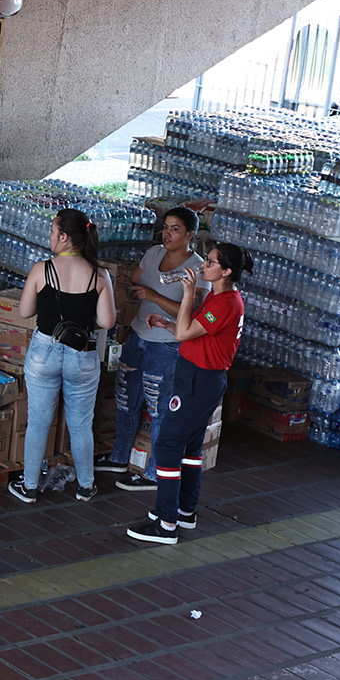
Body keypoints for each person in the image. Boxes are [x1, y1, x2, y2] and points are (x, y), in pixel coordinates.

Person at [126, 241, 252, 546]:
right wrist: (169, 323)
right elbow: (192, 332)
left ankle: (166, 522)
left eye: (210, 263)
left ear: (227, 271)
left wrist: (186, 294)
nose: (203, 266)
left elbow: (185, 334)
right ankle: (185, 509)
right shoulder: (219, 296)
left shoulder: (225, 303)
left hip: (199, 381)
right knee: (191, 447)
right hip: (199, 377)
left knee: (168, 446)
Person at [99, 207, 210, 492]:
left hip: (167, 345)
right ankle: (119, 457)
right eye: (166, 227)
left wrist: (153, 296)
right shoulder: (153, 254)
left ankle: (154, 473)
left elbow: (194, 311)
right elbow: (135, 281)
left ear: (190, 235)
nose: (167, 233)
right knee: (126, 400)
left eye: (175, 228)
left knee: (160, 409)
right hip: (137, 335)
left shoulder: (198, 269)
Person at [9, 209, 115, 504]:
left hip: (44, 351)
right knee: (81, 424)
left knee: (39, 422)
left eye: (53, 231)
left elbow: (25, 312)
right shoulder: (99, 274)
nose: (50, 237)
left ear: (65, 237)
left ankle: (29, 487)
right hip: (82, 355)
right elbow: (107, 321)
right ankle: (85, 486)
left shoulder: (41, 269)